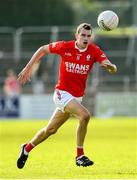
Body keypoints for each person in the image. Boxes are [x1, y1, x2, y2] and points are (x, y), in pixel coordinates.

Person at [17, 23, 117, 168]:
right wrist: (28, 68)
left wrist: (110, 67)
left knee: (50, 130)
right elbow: (43, 49)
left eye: (88, 36)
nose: (85, 38)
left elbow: (111, 66)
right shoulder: (65, 46)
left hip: (76, 98)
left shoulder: (94, 51)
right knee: (85, 115)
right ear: (76, 36)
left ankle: (26, 149)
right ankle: (80, 155)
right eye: (83, 35)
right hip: (61, 94)